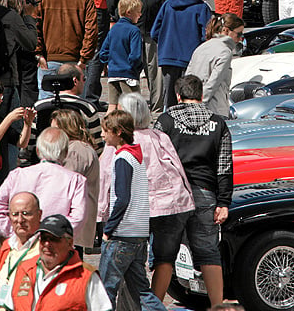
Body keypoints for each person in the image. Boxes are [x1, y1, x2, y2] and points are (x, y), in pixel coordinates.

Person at [153, 75, 232, 307]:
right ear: (201, 95)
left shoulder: (165, 121)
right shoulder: (218, 123)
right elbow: (224, 165)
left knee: (165, 256)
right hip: (205, 193)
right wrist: (224, 201)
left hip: (173, 195)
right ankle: (218, 305)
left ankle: (154, 305)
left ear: (178, 95)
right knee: (208, 252)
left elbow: (156, 161)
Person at [116, 95, 194, 292]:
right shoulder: (159, 136)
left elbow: (108, 176)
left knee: (131, 259)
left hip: (137, 207)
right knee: (164, 260)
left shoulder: (121, 140)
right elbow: (177, 168)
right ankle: (155, 303)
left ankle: (138, 302)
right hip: (169, 203)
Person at [98, 110, 165, 311]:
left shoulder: (122, 159)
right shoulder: (136, 157)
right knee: (141, 290)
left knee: (105, 291)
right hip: (138, 233)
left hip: (122, 234)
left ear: (118, 132)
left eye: (105, 131)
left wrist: (108, 229)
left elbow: (122, 198)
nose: (102, 135)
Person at [0, 127, 88, 243]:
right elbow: (78, 218)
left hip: (23, 243)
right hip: (54, 245)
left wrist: (16, 231)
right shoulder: (76, 180)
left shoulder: (18, 175)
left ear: (38, 150)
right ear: (65, 152)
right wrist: (53, 235)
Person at [2, 214, 112, 311]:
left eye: (53, 239)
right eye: (43, 239)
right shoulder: (24, 268)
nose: (46, 244)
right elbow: (9, 306)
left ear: (70, 243)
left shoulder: (86, 276)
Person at [109, 0, 165, 113]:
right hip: (128, 32)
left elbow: (162, 1)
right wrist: (113, 23)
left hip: (152, 30)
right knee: (130, 70)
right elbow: (112, 2)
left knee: (155, 72)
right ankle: (132, 109)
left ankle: (156, 109)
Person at [36, 0, 98, 100]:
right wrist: (84, 59)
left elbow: (34, 27)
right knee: (74, 106)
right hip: (74, 59)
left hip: (49, 59)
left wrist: (39, 55)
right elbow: (91, 32)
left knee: (46, 105)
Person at [151, 0, 212, 109]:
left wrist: (164, 43)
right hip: (191, 57)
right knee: (189, 94)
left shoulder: (167, 4)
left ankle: (169, 123)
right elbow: (206, 34)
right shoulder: (202, 7)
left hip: (168, 55)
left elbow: (154, 31)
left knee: (170, 96)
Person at [51, 109, 100, 254]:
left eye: (55, 129)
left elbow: (66, 183)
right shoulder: (77, 147)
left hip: (72, 221)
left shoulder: (75, 151)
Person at [185, 14, 244, 118]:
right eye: (238, 34)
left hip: (192, 104)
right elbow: (214, 82)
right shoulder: (225, 51)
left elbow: (188, 77)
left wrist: (189, 104)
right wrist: (201, 104)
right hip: (214, 109)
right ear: (226, 30)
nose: (240, 39)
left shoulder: (201, 47)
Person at [0, 192, 42, 311]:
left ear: (39, 215)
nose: (20, 220)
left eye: (26, 214)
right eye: (15, 214)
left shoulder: (46, 249)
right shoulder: (6, 246)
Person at [100, 0, 144, 111]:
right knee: (133, 107)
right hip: (128, 74)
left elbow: (103, 53)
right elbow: (135, 55)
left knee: (112, 106)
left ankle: (106, 128)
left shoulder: (113, 29)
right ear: (129, 12)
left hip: (113, 74)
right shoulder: (134, 31)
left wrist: (111, 63)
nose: (140, 15)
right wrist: (136, 67)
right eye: (138, 12)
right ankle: (132, 128)